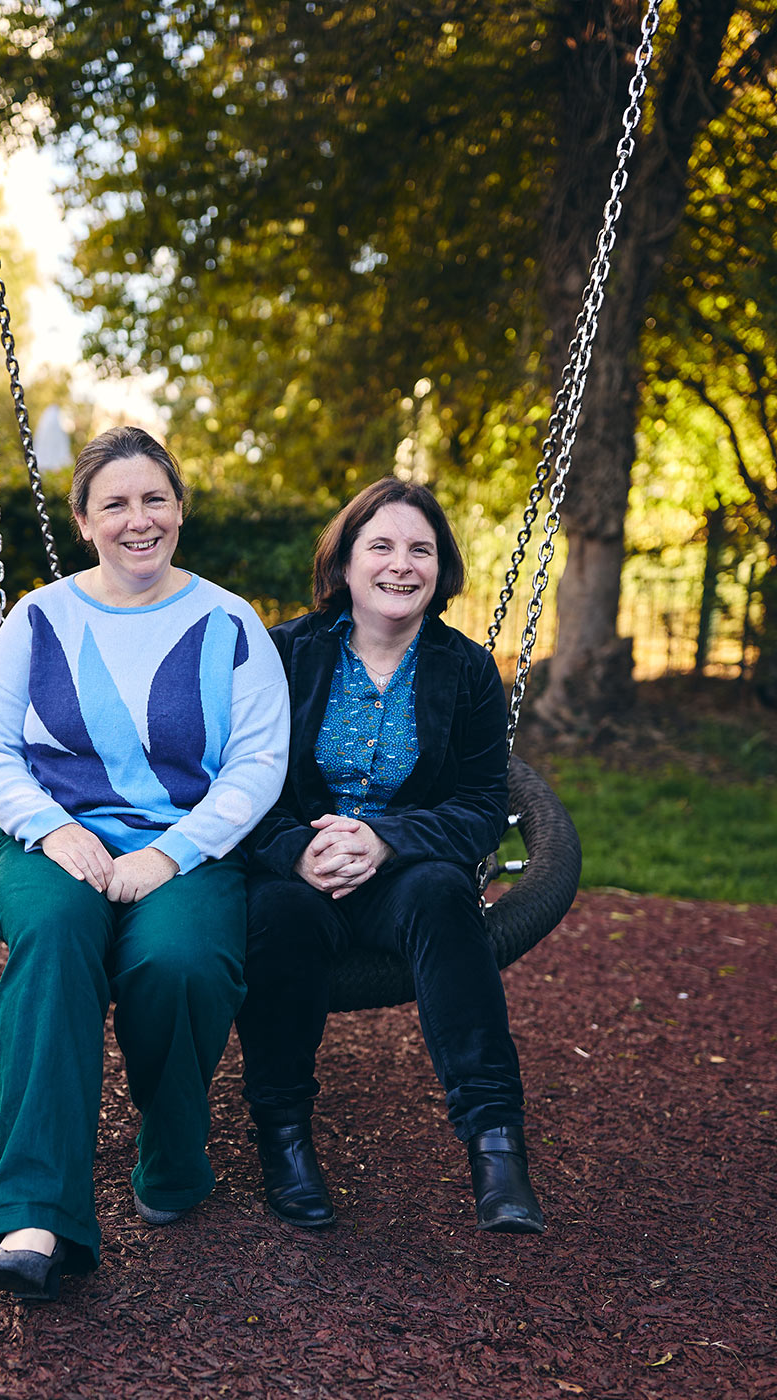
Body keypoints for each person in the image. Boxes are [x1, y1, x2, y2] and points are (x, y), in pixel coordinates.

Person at [0, 426, 289, 1299]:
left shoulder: (228, 622)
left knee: (178, 963)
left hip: (187, 842)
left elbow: (259, 762)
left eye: (155, 499)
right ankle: (35, 1213)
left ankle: (175, 1146)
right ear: (83, 520)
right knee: (59, 940)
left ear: (179, 510)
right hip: (51, 838)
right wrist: (48, 826)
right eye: (116, 503)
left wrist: (172, 852)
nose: (138, 519)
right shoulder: (39, 618)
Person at [236, 477, 545, 1235]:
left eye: (421, 549)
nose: (401, 564)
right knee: (275, 913)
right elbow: (239, 785)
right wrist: (296, 851)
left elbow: (479, 804)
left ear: (441, 569)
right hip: (301, 873)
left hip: (403, 877)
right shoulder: (287, 654)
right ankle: (284, 1136)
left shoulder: (465, 669)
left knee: (445, 895)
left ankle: (495, 1144)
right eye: (381, 546)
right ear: (344, 564)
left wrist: (388, 839)